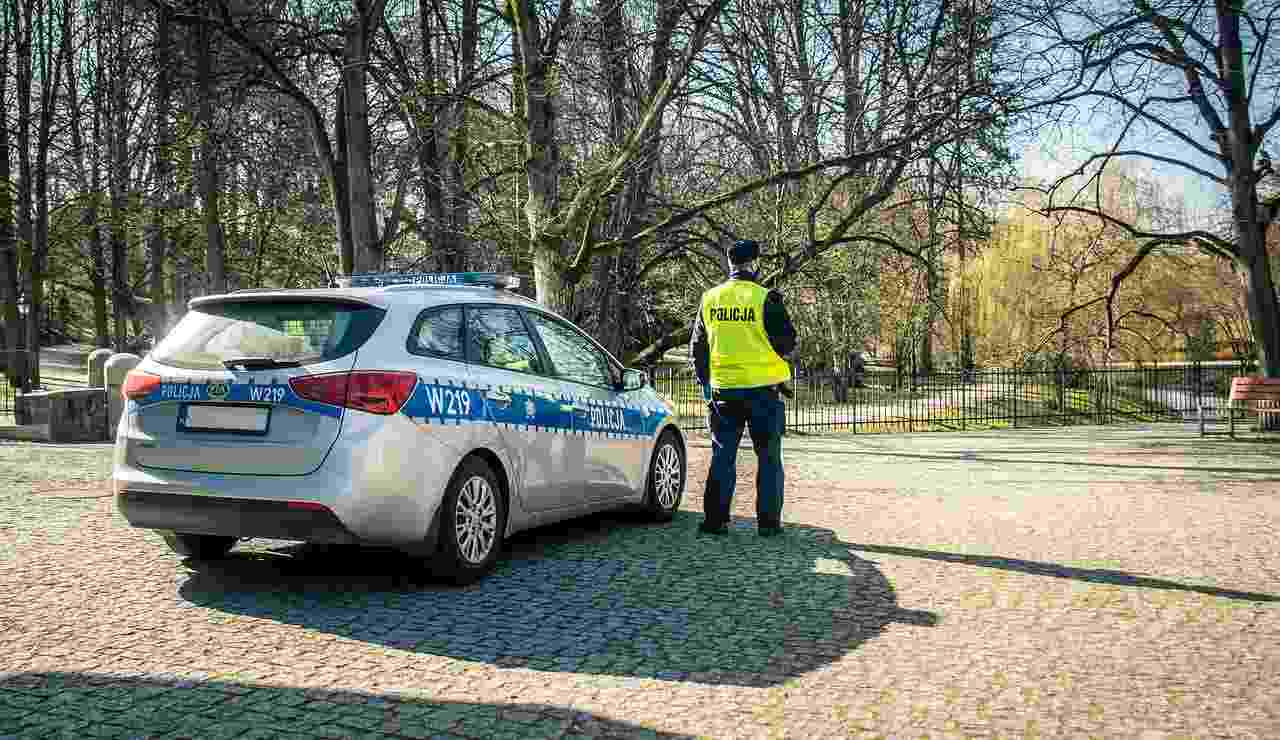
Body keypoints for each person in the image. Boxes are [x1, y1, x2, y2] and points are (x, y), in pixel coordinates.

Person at [689, 239, 798, 537]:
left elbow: (698, 349)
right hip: (763, 391)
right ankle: (769, 524)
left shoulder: (710, 298)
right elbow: (787, 342)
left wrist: (706, 385)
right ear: (756, 264)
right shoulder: (766, 298)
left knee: (722, 455)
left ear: (730, 265)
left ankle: (715, 521)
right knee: (769, 457)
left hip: (724, 391)